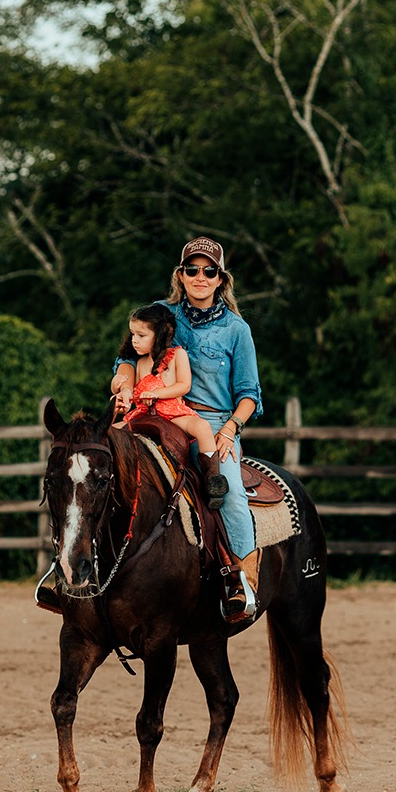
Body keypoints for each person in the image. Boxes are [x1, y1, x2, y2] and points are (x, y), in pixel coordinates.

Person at [110, 236, 262, 623]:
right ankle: (75, 572)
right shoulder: (160, 313)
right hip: (151, 410)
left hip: (209, 422)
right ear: (181, 275)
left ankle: (242, 581)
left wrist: (230, 429)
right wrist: (125, 385)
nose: (200, 276)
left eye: (208, 271)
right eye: (191, 269)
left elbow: (249, 395)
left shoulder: (235, 330)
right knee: (98, 470)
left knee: (227, 493)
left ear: (220, 280)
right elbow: (126, 358)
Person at [112, 303, 228, 511]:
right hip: (145, 414)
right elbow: (128, 390)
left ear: (159, 334)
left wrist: (156, 393)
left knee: (202, 428)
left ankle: (213, 478)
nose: (134, 340)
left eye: (141, 335)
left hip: (172, 411)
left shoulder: (177, 355)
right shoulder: (139, 362)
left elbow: (183, 385)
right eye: (132, 334)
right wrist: (121, 388)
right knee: (110, 433)